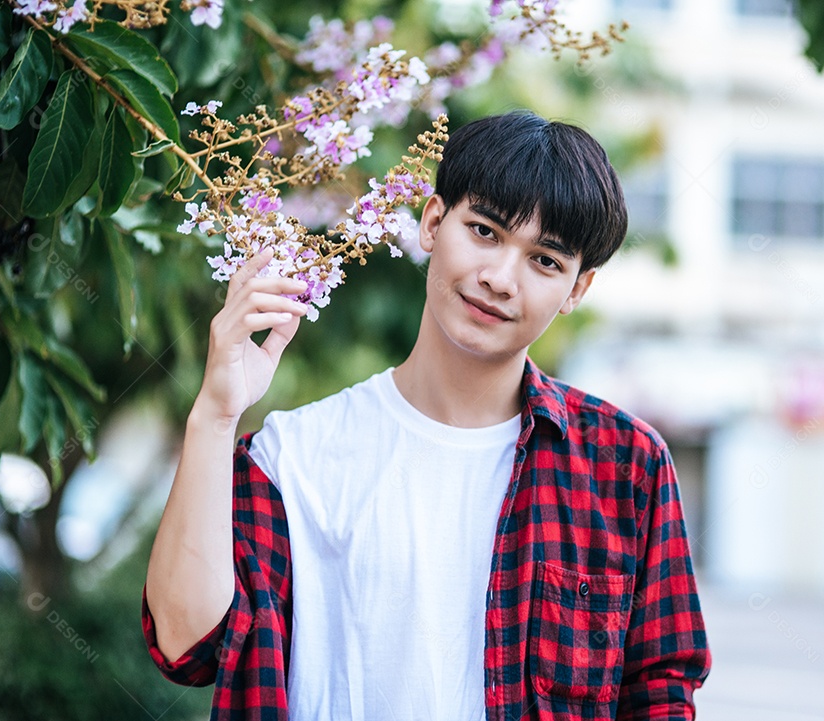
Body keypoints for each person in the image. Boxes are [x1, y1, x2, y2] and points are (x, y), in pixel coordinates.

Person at [142, 111, 710, 721]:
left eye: (545, 261)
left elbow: (659, 691)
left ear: (578, 288)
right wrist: (216, 415)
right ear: (434, 222)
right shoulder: (295, 455)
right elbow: (186, 646)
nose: (499, 278)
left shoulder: (623, 465)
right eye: (485, 231)